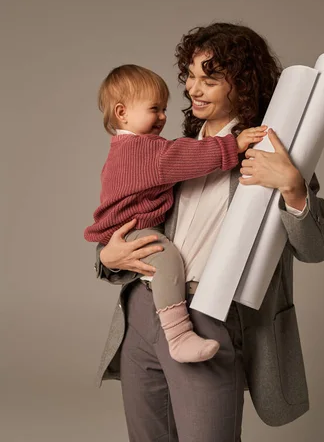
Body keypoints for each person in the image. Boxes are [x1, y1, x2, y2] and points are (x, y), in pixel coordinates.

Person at [93, 23, 324, 442]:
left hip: (210, 318)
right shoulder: (174, 150)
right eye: (190, 76)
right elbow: (125, 217)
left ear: (242, 84)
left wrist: (293, 186)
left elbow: (318, 248)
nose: (193, 89)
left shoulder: (273, 151)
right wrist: (106, 259)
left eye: (210, 78)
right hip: (141, 314)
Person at [84, 63, 266, 363]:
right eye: (154, 109)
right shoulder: (148, 151)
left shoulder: (123, 147)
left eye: (164, 109)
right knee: (166, 256)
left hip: (127, 231)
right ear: (121, 112)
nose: (163, 117)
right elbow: (189, 156)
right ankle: (179, 336)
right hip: (134, 231)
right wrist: (235, 143)